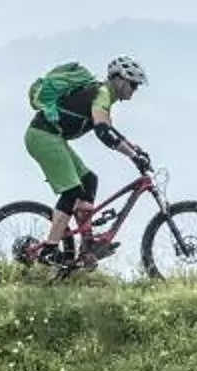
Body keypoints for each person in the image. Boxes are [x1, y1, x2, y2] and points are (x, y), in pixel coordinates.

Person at [25, 56, 148, 268]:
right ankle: (49, 250)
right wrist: (133, 156)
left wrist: (134, 148)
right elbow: (103, 132)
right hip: (42, 136)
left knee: (89, 180)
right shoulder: (102, 94)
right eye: (133, 84)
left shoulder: (104, 97)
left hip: (53, 137)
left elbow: (110, 130)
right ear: (119, 80)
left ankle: (87, 246)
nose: (134, 90)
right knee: (72, 191)